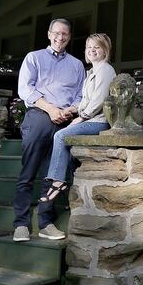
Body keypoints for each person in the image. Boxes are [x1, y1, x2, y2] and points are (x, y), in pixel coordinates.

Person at [13, 18, 85, 242]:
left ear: (69, 37)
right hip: (40, 113)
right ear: (48, 34)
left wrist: (70, 110)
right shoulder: (34, 58)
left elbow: (82, 96)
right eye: (56, 33)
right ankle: (21, 224)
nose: (60, 38)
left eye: (64, 34)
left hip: (65, 118)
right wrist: (51, 109)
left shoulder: (77, 65)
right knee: (31, 167)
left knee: (55, 170)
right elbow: (26, 89)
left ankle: (45, 222)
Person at [40, 33, 116, 202]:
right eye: (89, 47)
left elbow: (99, 101)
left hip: (99, 122)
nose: (92, 50)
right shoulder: (91, 72)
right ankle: (71, 191)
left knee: (60, 135)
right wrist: (72, 110)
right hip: (90, 119)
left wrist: (81, 118)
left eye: (96, 47)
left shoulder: (105, 70)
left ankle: (58, 181)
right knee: (67, 142)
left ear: (105, 51)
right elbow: (85, 101)